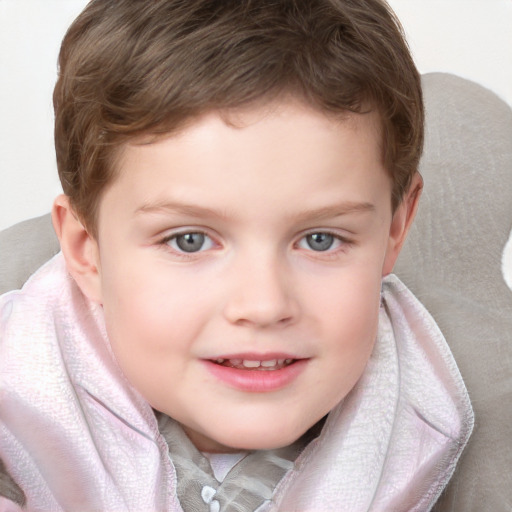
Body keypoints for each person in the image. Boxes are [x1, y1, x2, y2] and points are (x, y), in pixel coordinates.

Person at [0, 0, 474, 510]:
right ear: (86, 250)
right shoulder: (18, 399)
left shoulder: (458, 416)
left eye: (320, 239)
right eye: (189, 240)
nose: (264, 304)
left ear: (395, 230)